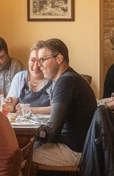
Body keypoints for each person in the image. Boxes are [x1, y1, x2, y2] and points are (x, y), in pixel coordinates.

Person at [32, 38, 97, 167]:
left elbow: (53, 131)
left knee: (18, 155)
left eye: (42, 59)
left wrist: (35, 135)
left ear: (59, 58)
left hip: (73, 151)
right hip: (77, 146)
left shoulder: (66, 82)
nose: (39, 65)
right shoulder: (70, 78)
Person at [4, 44, 52, 113]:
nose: (36, 66)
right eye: (33, 60)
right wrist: (9, 104)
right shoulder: (20, 77)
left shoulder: (53, 79)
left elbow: (57, 108)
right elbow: (10, 107)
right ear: (28, 61)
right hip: (22, 120)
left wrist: (29, 109)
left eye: (41, 60)